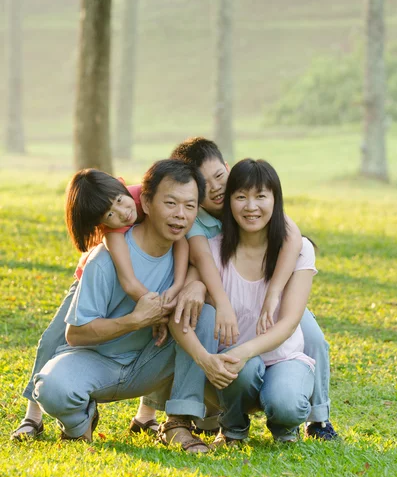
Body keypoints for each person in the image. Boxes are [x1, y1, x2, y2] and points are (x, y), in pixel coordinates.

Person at [32, 159, 230, 453]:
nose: (180, 215)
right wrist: (135, 320)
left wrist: (192, 289)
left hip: (151, 361)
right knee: (53, 387)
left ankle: (178, 423)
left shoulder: (189, 252)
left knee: (202, 313)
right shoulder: (105, 259)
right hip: (98, 362)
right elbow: (75, 334)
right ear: (146, 203)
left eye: (190, 206)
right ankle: (78, 424)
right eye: (171, 203)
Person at [167, 138, 337, 440]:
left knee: (311, 338)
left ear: (228, 170)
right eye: (205, 185)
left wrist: (274, 292)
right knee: (202, 322)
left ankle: (318, 418)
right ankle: (204, 419)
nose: (216, 188)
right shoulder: (197, 218)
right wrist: (201, 287)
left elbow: (294, 239)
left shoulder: (256, 197)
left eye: (220, 177)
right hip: (235, 305)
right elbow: (202, 258)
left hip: (277, 296)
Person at [10, 167, 191, 441]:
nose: (122, 213)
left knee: (153, 340)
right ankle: (32, 415)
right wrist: (150, 311)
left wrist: (176, 288)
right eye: (110, 214)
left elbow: (181, 238)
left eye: (120, 201)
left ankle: (146, 415)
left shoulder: (142, 195)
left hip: (137, 279)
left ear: (122, 188)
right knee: (53, 339)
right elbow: (128, 282)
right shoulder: (112, 235)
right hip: (95, 279)